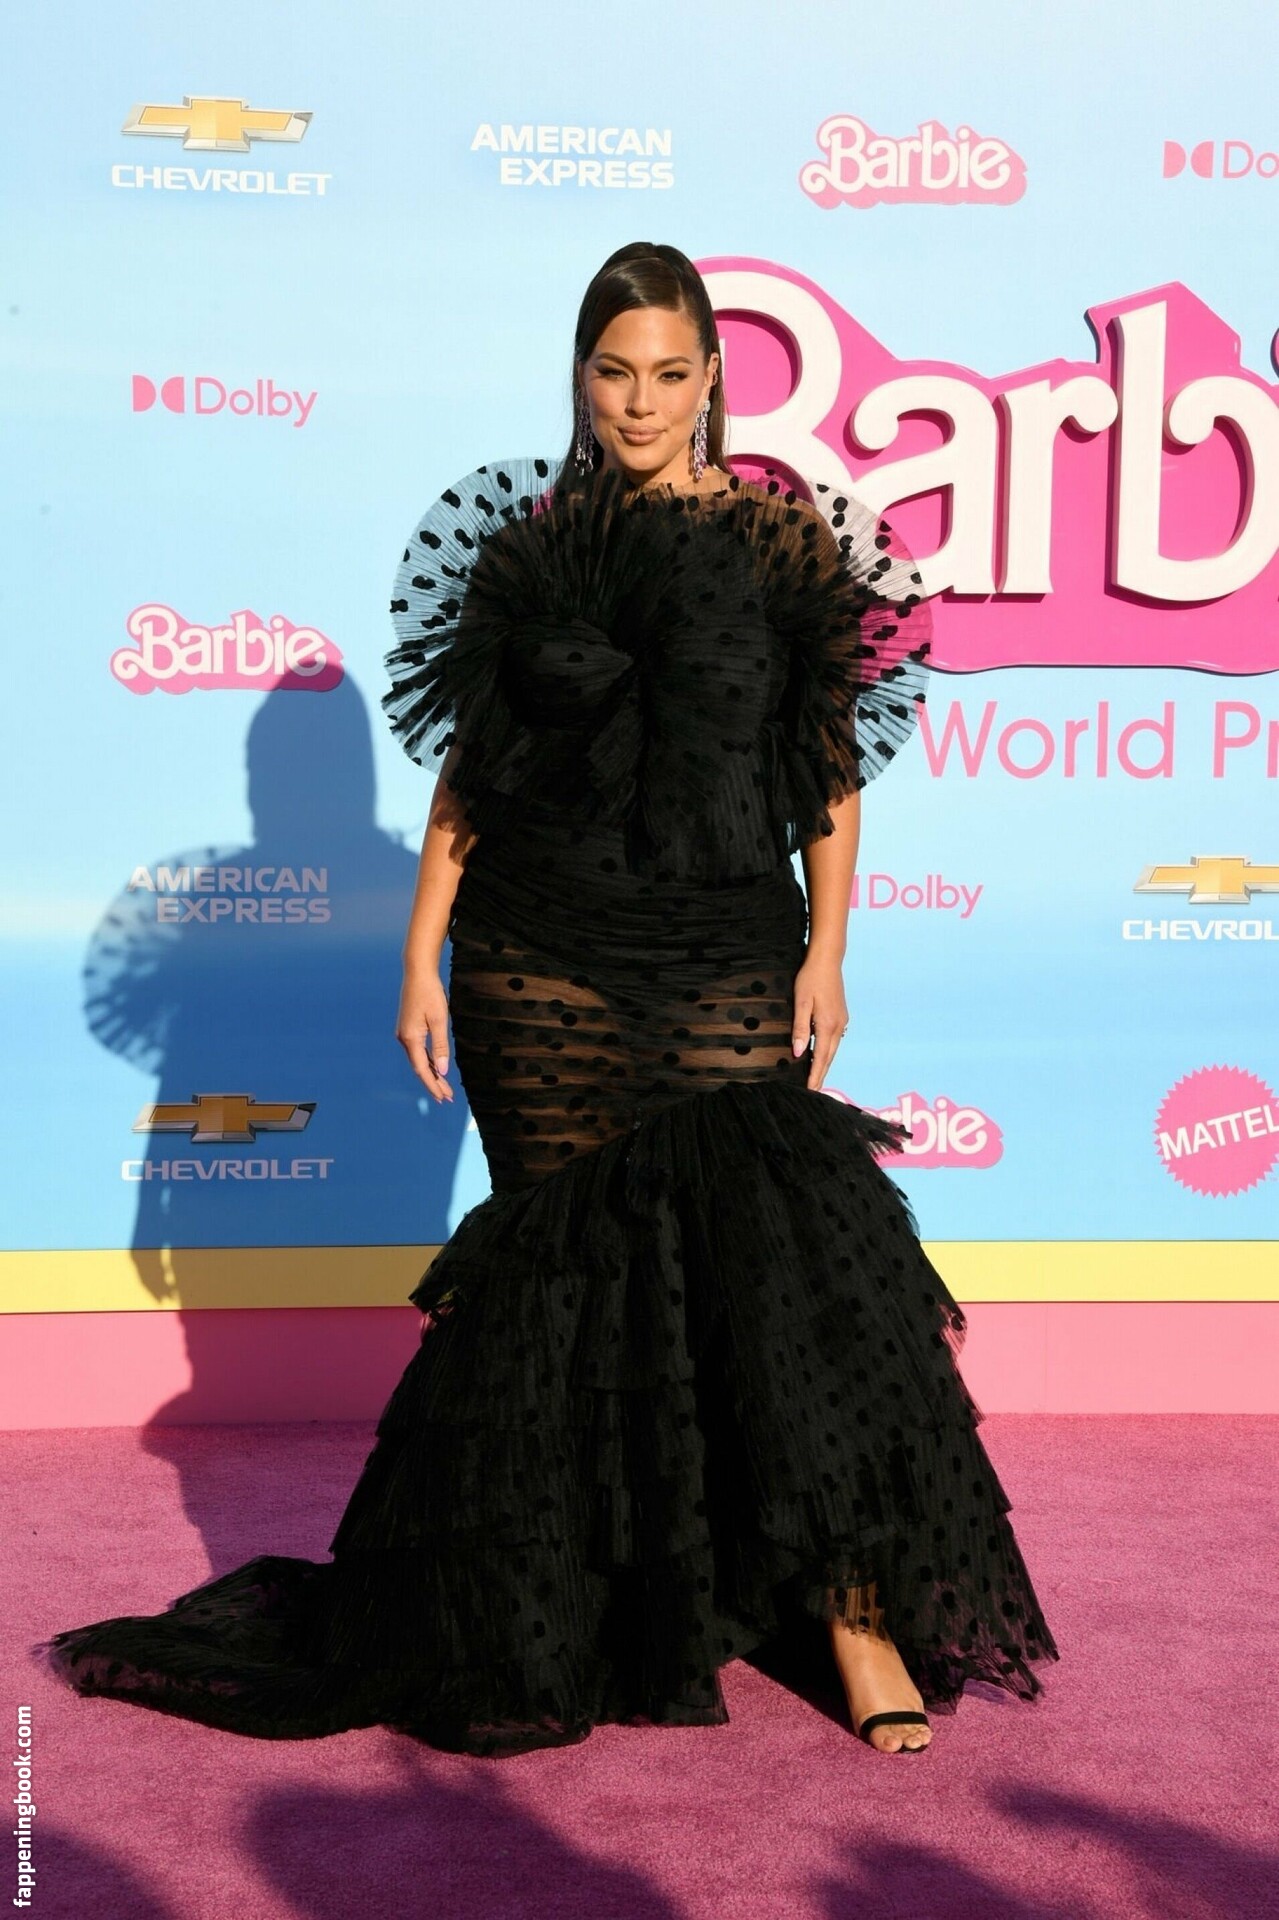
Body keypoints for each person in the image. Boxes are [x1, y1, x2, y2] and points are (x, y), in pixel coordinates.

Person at [34, 241, 1059, 1758]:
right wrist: (420, 951)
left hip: (721, 945)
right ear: (580, 378)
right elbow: (472, 771)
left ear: (712, 377)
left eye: (668, 373)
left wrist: (829, 950)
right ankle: (571, 1613)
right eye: (613, 372)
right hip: (539, 963)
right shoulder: (531, 551)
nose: (640, 402)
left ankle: (857, 1623)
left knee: (788, 1284)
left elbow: (827, 773)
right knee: (561, 1293)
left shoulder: (780, 547)